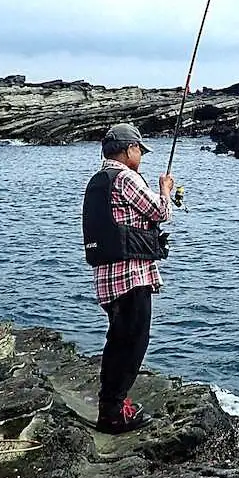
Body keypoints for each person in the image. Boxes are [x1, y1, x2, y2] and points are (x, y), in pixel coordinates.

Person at [81, 123, 174, 434]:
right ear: (128, 150)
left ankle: (111, 404)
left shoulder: (99, 179)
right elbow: (160, 212)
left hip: (107, 277)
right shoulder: (126, 177)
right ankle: (113, 412)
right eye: (139, 150)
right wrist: (165, 190)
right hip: (131, 275)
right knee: (133, 341)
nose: (141, 157)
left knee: (118, 341)